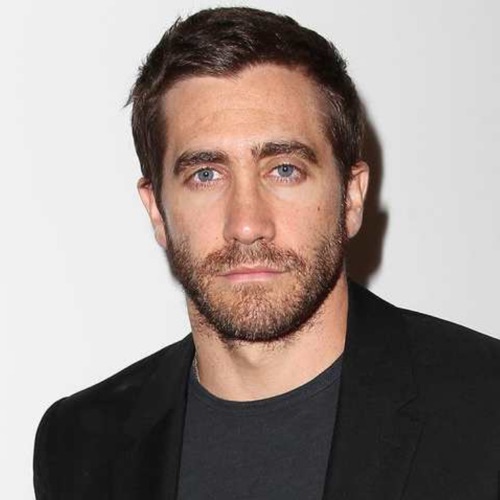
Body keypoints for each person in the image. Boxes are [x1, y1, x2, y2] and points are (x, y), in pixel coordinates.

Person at [33, 7, 500, 500]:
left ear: (351, 197)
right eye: (205, 175)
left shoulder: (486, 409)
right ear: (157, 211)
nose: (247, 225)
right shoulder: (81, 446)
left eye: (284, 170)